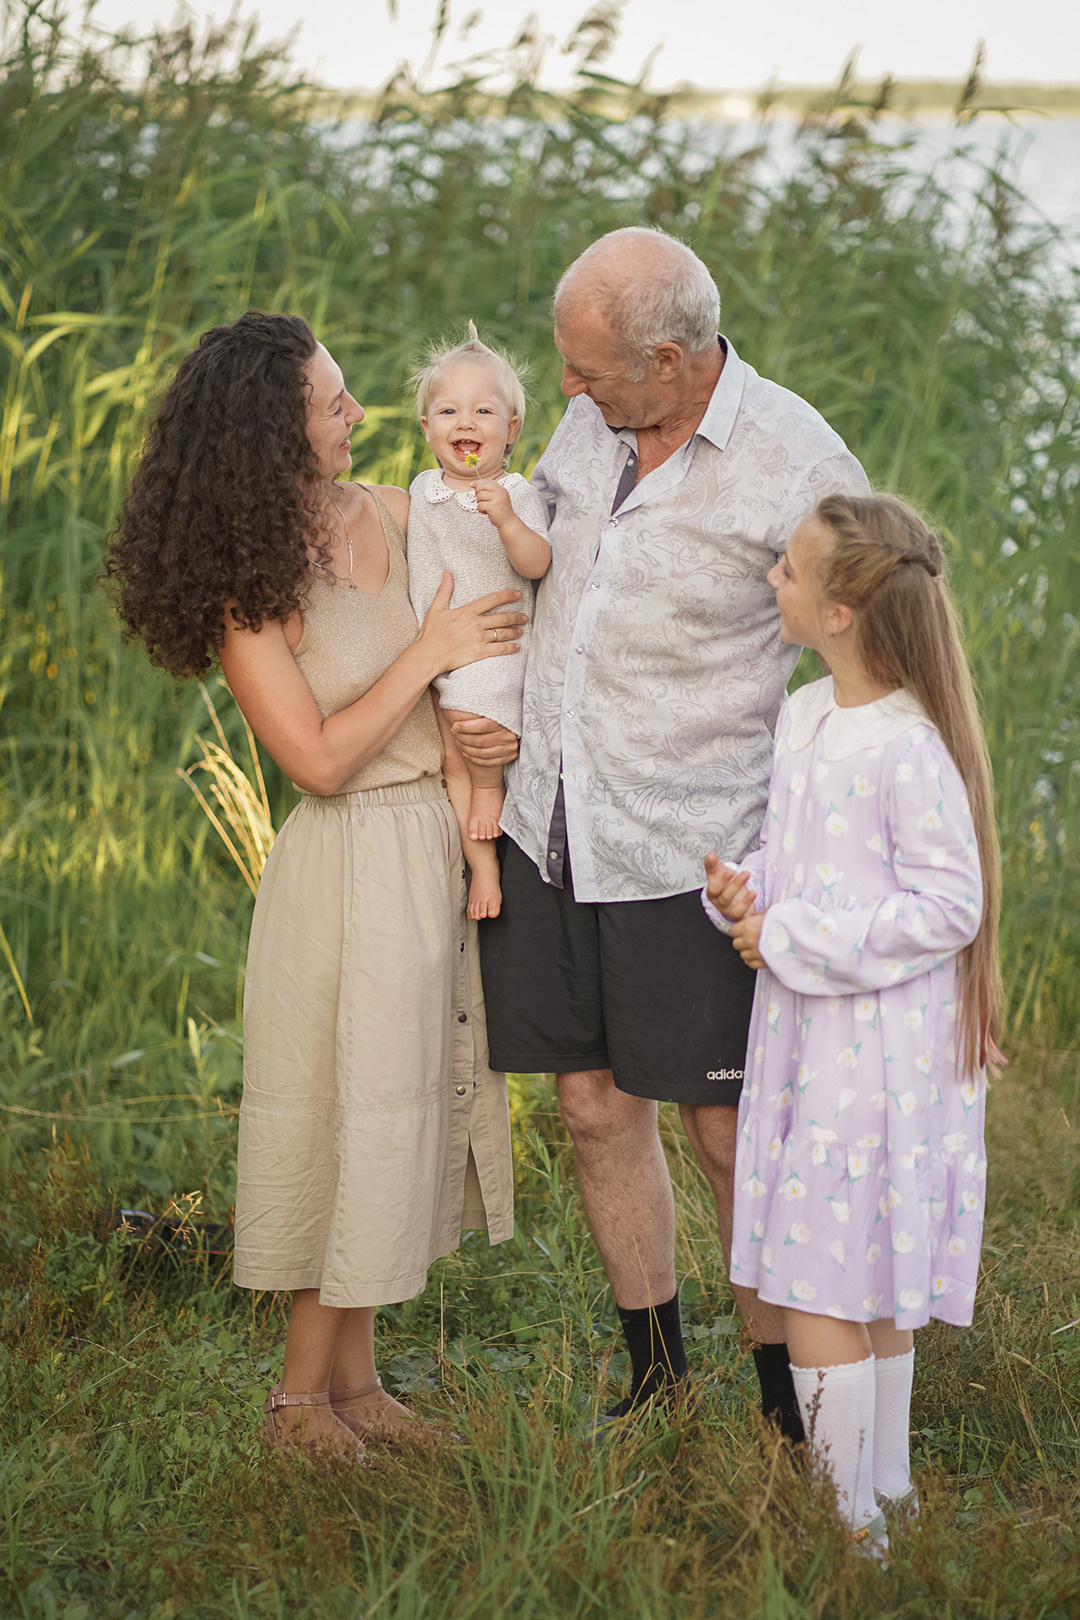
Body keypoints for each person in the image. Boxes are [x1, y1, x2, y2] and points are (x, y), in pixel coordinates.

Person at [456, 227, 869, 1437]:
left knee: (726, 1129)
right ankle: (654, 1378)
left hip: (695, 851)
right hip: (549, 823)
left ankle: (789, 1408)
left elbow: (875, 646)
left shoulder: (797, 461)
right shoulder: (596, 421)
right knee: (591, 1105)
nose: (565, 390)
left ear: (673, 361)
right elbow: (539, 563)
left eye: (588, 371)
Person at [103, 310, 527, 1461]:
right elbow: (319, 761)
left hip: (429, 849)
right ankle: (297, 1407)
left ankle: (359, 1387)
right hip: (344, 865)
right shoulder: (249, 587)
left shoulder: (399, 511)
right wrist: (427, 655)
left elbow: (503, 603)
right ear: (271, 432)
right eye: (333, 403)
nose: (358, 414)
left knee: (399, 1113)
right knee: (346, 1122)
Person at [703, 492, 1001, 1550]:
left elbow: (949, 906)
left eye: (789, 570)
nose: (772, 579)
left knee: (817, 1278)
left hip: (875, 1055)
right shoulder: (805, 716)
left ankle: (846, 1531)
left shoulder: (908, 746)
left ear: (840, 612)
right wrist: (747, 895)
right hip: (808, 1039)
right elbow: (801, 860)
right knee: (853, 1265)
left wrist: (791, 936)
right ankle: (886, 1499)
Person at [407, 323, 552, 919]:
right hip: (438, 648)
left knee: (473, 727)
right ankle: (482, 866)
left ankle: (492, 793)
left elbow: (538, 562)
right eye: (448, 411)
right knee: (450, 763)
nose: (464, 423)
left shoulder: (516, 492)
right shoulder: (423, 489)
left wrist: (508, 522)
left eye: (483, 411)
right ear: (426, 428)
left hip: (496, 647)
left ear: (511, 430)